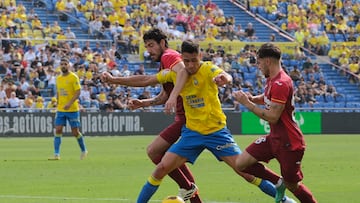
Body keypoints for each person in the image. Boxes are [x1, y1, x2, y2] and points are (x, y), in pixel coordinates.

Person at [103, 40, 295, 203]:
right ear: (182, 59)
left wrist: (224, 78)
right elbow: (146, 79)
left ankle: (284, 199)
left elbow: (225, 75)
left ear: (199, 56)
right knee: (161, 168)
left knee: (244, 171)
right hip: (192, 133)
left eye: (194, 60)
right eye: (186, 61)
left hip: (217, 132)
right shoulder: (175, 74)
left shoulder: (208, 68)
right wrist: (115, 80)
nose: (191, 65)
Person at [102, 28, 201, 203]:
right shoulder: (164, 63)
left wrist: (115, 79)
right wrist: (144, 103)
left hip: (188, 117)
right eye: (146, 46)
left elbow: (181, 72)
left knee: (154, 151)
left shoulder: (168, 56)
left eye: (151, 45)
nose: (148, 50)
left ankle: (188, 187)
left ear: (162, 43)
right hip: (186, 117)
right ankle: (191, 193)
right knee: (171, 158)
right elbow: (163, 95)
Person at [232, 43, 318, 203]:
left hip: (289, 143)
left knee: (293, 185)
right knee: (241, 163)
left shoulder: (281, 83)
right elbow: (267, 98)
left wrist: (248, 104)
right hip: (275, 138)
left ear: (267, 61)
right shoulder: (273, 80)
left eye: (259, 62)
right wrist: (252, 98)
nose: (258, 66)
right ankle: (278, 182)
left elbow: (273, 117)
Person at [48, 57, 88, 160]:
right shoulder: (58, 78)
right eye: (62, 64)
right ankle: (56, 154)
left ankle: (84, 150)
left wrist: (70, 103)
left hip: (72, 109)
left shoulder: (73, 77)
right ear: (59, 66)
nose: (63, 66)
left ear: (69, 65)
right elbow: (58, 92)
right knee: (58, 129)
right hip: (61, 109)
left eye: (65, 64)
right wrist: (57, 102)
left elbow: (78, 92)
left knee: (75, 132)